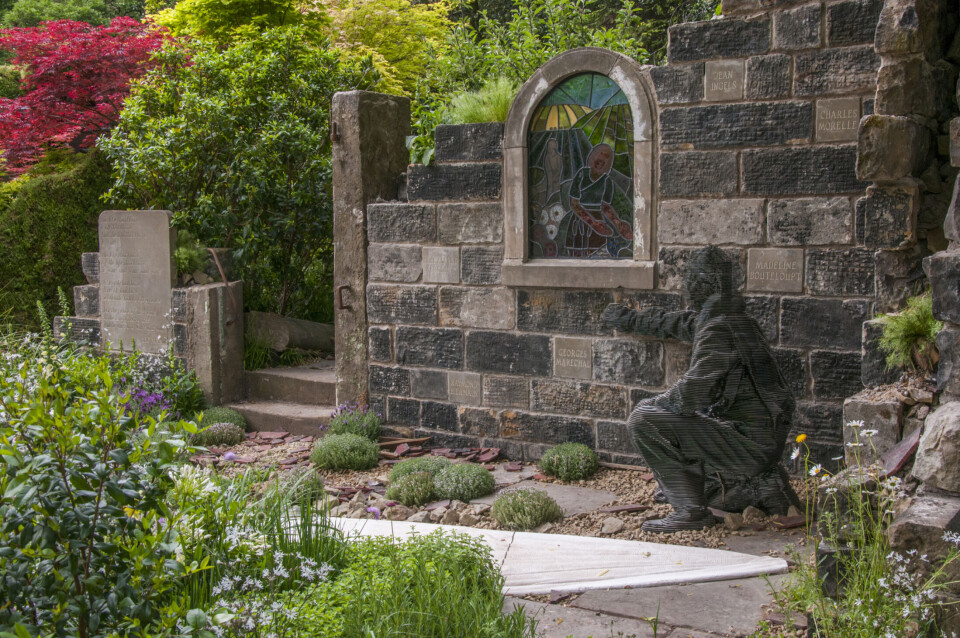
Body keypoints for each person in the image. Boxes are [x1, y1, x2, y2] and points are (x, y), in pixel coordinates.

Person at [602, 246, 800, 533]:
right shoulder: (727, 318)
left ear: (712, 285)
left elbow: (692, 394)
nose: (687, 286)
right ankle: (753, 489)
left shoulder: (720, 328)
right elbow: (676, 323)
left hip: (752, 444)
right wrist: (627, 319)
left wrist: (655, 407)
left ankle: (690, 511)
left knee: (644, 420)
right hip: (757, 438)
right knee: (668, 475)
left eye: (693, 280)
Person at [565, 143, 632, 258]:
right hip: (580, 222)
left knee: (597, 254)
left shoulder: (607, 181)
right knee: (577, 257)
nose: (600, 164)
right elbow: (574, 203)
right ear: (592, 158)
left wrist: (619, 224)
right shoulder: (581, 174)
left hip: (599, 222)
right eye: (598, 160)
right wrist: (593, 223)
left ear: (607, 165)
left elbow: (605, 207)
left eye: (604, 162)